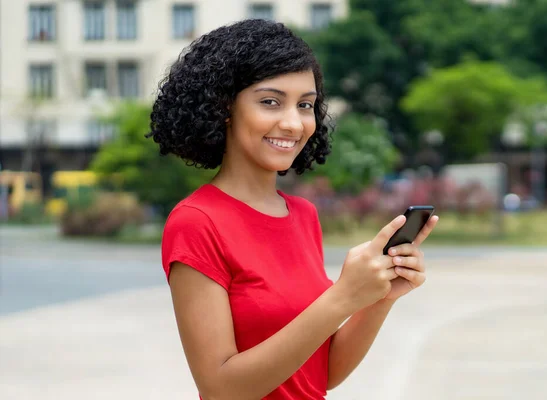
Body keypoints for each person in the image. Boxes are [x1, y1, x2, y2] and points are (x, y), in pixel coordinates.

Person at [147, 19, 438, 400]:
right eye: (270, 101)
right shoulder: (197, 222)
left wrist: (378, 298)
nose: (293, 122)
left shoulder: (302, 215)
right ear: (224, 108)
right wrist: (343, 297)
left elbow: (323, 374)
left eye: (305, 105)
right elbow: (220, 389)